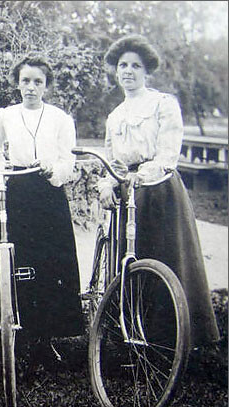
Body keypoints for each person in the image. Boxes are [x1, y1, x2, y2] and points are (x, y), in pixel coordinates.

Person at [98, 34, 219, 347]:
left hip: (159, 191)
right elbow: (113, 160)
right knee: (130, 259)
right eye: (123, 65)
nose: (128, 71)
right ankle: (132, 334)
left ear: (146, 71)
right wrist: (109, 182)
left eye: (135, 66)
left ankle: (174, 337)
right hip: (129, 194)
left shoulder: (163, 104)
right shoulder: (115, 115)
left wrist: (144, 175)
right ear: (116, 70)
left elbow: (168, 153)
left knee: (167, 259)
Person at [0, 54, 84, 357]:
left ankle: (47, 335)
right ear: (17, 83)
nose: (31, 87)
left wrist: (53, 169)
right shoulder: (7, 115)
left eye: (37, 82)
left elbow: (68, 161)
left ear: (46, 86)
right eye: (25, 81)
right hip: (17, 192)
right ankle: (18, 330)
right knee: (20, 260)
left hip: (48, 194)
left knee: (51, 262)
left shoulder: (59, 118)